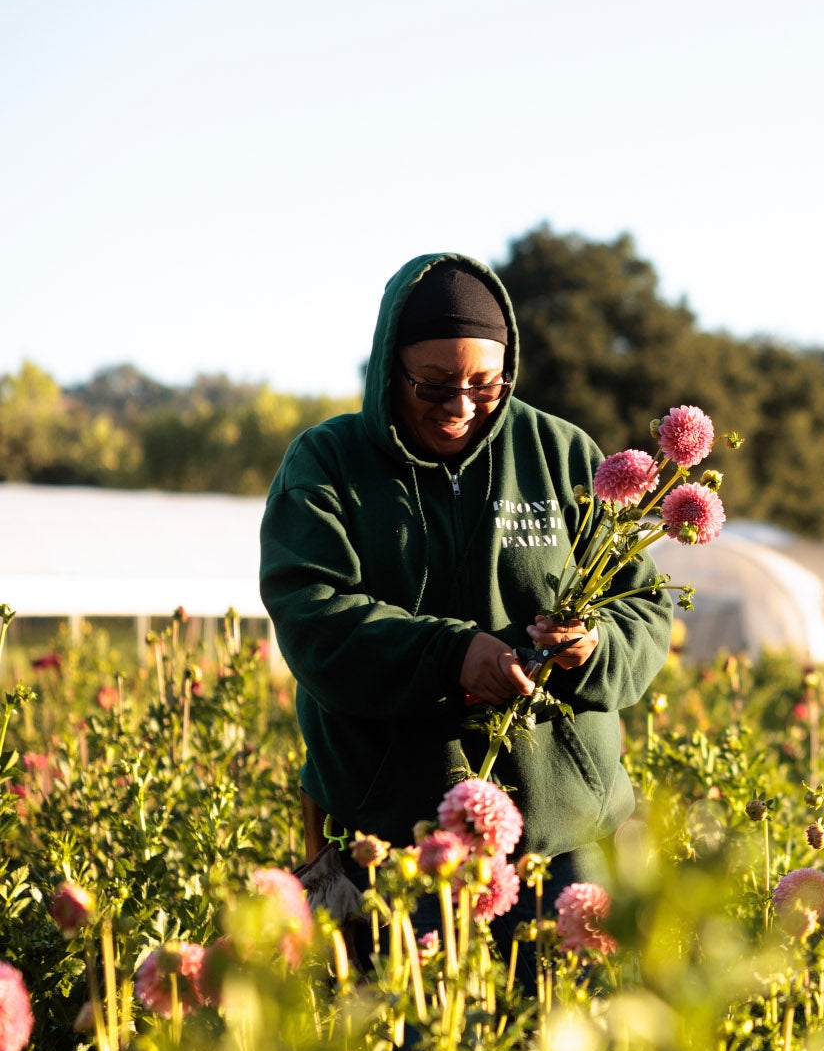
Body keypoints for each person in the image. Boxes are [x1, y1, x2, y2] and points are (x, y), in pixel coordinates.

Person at [260, 253, 672, 942]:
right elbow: (313, 615)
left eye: (485, 385)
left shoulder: (562, 453)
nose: (459, 407)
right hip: (395, 843)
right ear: (390, 366)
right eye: (434, 384)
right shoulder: (328, 464)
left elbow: (644, 606)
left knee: (566, 1038)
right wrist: (448, 656)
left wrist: (594, 648)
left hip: (560, 839)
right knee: (414, 1040)